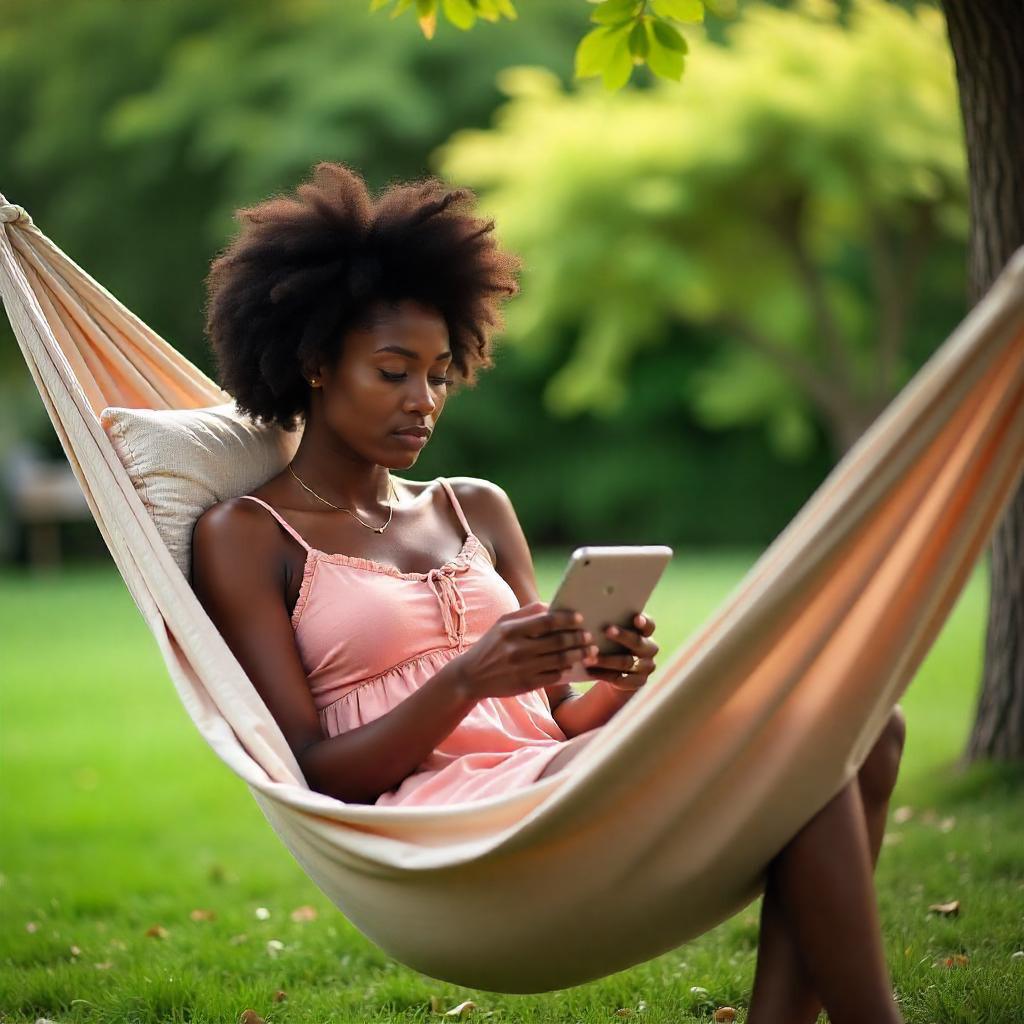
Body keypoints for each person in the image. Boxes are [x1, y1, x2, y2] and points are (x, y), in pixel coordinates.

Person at [191, 161, 907, 1024]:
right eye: (393, 371)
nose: (423, 401)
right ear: (313, 363)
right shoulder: (248, 536)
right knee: (810, 739)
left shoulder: (476, 507)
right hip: (448, 826)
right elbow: (312, 773)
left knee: (866, 728)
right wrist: (464, 681)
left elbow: (553, 715)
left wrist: (615, 681)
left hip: (555, 775)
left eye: (441, 374)